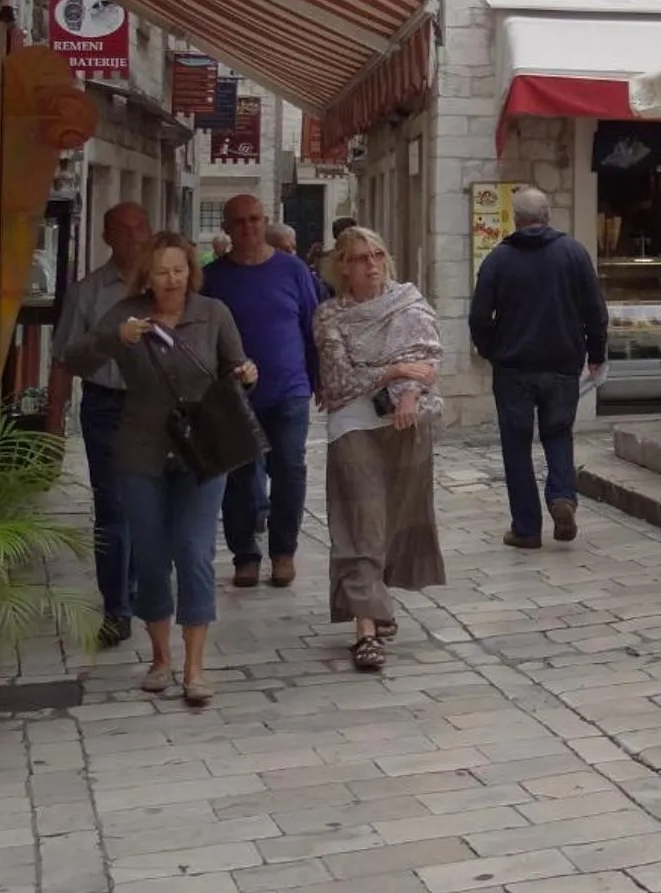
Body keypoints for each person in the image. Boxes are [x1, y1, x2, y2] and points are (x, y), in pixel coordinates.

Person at [63, 231, 257, 704]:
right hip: (142, 449)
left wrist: (247, 374)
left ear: (191, 271)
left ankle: (194, 667)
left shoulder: (213, 314)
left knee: (194, 552)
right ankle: (160, 659)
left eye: (179, 270)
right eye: (162, 271)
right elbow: (73, 357)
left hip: (202, 450)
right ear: (146, 277)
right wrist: (116, 336)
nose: (172, 280)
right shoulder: (127, 314)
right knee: (149, 558)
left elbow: (237, 367)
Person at [314, 226, 445, 673]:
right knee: (360, 521)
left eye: (376, 254)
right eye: (357, 258)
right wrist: (392, 370)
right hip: (352, 423)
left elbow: (426, 360)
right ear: (342, 266)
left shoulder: (409, 303)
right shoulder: (329, 316)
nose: (370, 265)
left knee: (399, 518)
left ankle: (377, 597)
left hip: (407, 422)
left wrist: (404, 386)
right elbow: (337, 384)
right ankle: (365, 630)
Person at [468, 186, 607, 550]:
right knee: (558, 433)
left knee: (516, 445)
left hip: (513, 366)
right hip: (562, 362)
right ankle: (562, 496)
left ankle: (527, 528)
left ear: (516, 219)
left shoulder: (498, 260)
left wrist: (490, 349)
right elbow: (595, 309)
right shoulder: (574, 254)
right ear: (547, 215)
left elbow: (479, 316)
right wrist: (597, 352)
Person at [201, 195, 324, 589]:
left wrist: (318, 379)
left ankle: (283, 551)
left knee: (289, 468)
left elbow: (311, 326)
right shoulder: (214, 278)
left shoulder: (292, 271)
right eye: (238, 222)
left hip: (289, 388)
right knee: (238, 473)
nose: (248, 227)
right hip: (233, 394)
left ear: (265, 220)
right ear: (227, 227)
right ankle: (245, 555)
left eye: (254, 219)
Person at [47, 202, 151, 648]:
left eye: (139, 229)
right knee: (111, 507)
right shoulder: (88, 293)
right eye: (123, 231)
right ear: (107, 237)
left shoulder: (164, 288)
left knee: (142, 504)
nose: (133, 238)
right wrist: (53, 425)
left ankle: (133, 584)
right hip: (105, 407)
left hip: (153, 408)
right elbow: (62, 362)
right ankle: (116, 608)